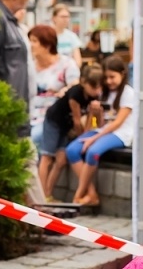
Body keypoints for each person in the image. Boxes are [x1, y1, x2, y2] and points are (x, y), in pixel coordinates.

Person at [65, 54, 134, 208]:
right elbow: (100, 123)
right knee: (72, 150)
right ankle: (91, 194)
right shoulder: (104, 92)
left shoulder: (128, 93)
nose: (109, 81)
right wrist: (95, 113)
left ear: (122, 74)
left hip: (120, 133)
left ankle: (77, 196)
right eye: (106, 78)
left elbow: (117, 123)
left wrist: (92, 139)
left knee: (92, 152)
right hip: (103, 130)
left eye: (112, 77)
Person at [38, 62, 104, 200]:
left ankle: (48, 194)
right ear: (83, 82)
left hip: (65, 126)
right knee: (47, 157)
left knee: (61, 160)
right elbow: (77, 122)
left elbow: (93, 123)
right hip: (54, 122)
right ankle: (41, 197)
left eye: (99, 87)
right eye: (93, 87)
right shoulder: (75, 94)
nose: (96, 90)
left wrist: (94, 114)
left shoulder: (94, 97)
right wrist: (82, 138)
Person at [28, 22, 80, 129]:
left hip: (53, 117)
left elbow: (75, 86)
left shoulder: (67, 64)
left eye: (34, 41)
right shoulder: (28, 65)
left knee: (36, 136)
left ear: (47, 45)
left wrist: (64, 91)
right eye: (29, 40)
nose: (30, 45)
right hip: (29, 115)